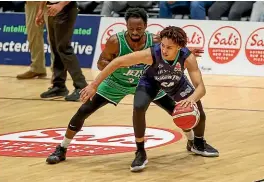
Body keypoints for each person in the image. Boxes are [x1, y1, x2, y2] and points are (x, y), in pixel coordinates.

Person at [45, 8, 203, 165]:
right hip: (116, 83)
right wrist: (119, 67)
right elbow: (101, 63)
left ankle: (191, 142)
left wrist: (186, 52)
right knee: (83, 110)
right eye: (131, 28)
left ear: (146, 26)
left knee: (178, 111)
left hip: (147, 83)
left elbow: (172, 47)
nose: (135, 32)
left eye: (139, 29)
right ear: (126, 26)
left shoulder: (155, 41)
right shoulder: (115, 41)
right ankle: (62, 148)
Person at [82, 26, 219, 172]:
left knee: (198, 111)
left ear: (179, 47)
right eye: (163, 45)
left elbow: (201, 88)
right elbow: (117, 62)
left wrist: (191, 99)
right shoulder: (151, 54)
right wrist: (94, 85)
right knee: (139, 107)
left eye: (169, 47)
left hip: (176, 82)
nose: (164, 50)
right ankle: (140, 152)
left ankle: (198, 143)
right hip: (151, 82)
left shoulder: (187, 57)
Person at [35, 1, 88, 101]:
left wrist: (61, 5)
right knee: (56, 49)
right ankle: (59, 86)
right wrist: (41, 9)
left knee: (64, 48)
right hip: (51, 8)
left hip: (65, 8)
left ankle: (81, 86)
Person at [17, 1, 54, 79]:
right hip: (31, 3)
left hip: (50, 2)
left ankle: (57, 71)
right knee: (32, 35)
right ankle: (37, 68)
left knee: (53, 37)